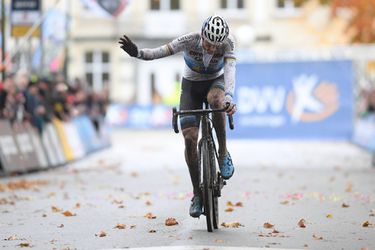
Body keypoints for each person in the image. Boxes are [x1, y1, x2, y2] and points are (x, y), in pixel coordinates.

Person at [119, 15, 237, 218]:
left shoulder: (228, 43)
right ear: (202, 36)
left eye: (215, 46)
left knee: (217, 102)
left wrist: (229, 97)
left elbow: (230, 71)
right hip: (190, 87)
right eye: (208, 44)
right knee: (190, 139)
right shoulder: (188, 40)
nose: (211, 49)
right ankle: (197, 194)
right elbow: (160, 52)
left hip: (214, 83)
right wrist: (137, 53)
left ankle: (223, 152)